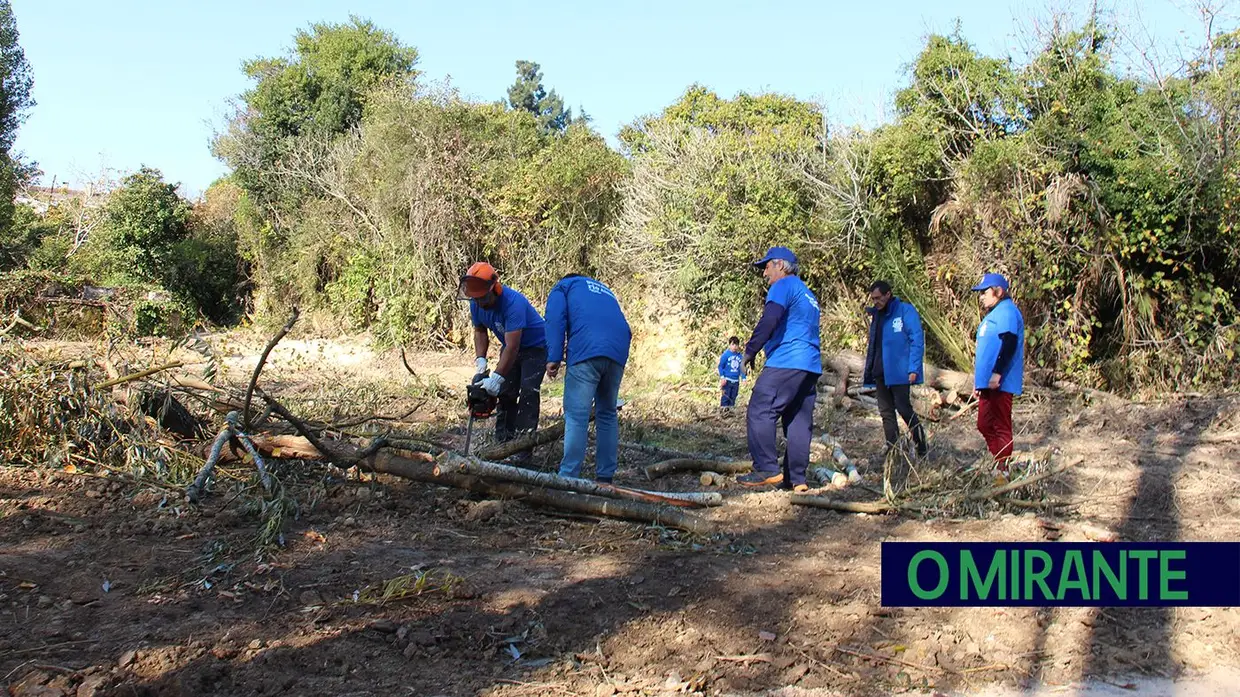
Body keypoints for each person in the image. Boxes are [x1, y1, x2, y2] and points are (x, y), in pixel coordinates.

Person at [738, 246, 822, 493]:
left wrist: (750, 351)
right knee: (797, 419)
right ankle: (797, 479)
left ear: (781, 265)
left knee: (760, 408)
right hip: (810, 364)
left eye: (767, 266)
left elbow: (770, 319)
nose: (765, 273)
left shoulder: (783, 286)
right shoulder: (808, 294)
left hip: (787, 360)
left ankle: (766, 469)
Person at [544, 274, 632, 484]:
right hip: (617, 352)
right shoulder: (605, 290)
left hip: (586, 350)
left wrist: (553, 357)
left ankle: (568, 479)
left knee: (576, 416)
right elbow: (624, 327)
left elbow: (555, 319)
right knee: (607, 413)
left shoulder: (563, 287)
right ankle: (605, 477)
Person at [459, 262, 547, 465]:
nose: (480, 303)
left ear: (494, 288)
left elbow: (513, 347)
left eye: (483, 298)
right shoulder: (476, 302)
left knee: (527, 393)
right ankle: (503, 444)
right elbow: (480, 331)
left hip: (535, 347)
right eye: (476, 299)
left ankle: (523, 451)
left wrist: (497, 377)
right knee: (505, 393)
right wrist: (481, 361)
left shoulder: (512, 303)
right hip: (510, 347)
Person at [862, 280, 928, 458]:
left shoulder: (905, 311)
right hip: (880, 371)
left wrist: (913, 367)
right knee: (886, 412)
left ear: (888, 294)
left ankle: (921, 446)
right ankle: (893, 448)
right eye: (873, 298)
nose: (876, 301)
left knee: (904, 409)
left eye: (878, 298)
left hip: (900, 372)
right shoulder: (877, 315)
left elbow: (916, 339)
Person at [971, 272, 1025, 482]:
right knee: (983, 424)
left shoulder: (1007, 312)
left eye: (985, 292)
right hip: (987, 383)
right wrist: (979, 382)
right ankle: (999, 460)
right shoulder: (993, 315)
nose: (982, 297)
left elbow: (1009, 343)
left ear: (999, 291)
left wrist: (997, 373)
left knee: (1001, 424)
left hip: (1000, 382)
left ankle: (1002, 469)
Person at [717, 336, 745, 409]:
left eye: (736, 345)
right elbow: (720, 366)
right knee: (725, 397)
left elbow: (742, 368)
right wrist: (722, 377)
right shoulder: (726, 355)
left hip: (736, 381)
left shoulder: (740, 357)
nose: (735, 347)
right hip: (727, 380)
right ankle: (723, 413)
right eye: (733, 344)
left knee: (733, 398)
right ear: (729, 345)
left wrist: (744, 378)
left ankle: (731, 414)